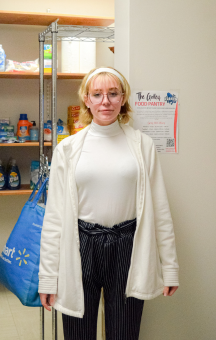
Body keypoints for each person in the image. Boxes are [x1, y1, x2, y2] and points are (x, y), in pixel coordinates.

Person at [38, 67, 180, 340]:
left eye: (113, 94)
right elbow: (54, 218)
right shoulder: (67, 150)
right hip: (80, 247)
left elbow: (160, 210)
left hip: (128, 245)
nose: (106, 101)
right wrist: (48, 277)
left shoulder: (142, 145)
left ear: (123, 98)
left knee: (124, 333)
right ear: (87, 100)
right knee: (78, 333)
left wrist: (170, 268)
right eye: (98, 94)